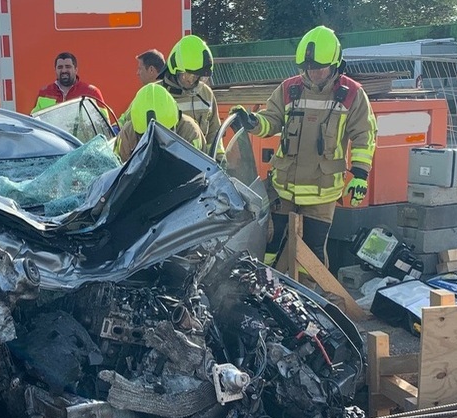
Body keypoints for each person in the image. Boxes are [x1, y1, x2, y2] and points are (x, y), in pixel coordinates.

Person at [229, 26, 377, 266]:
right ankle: (263, 292)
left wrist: (360, 174)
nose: (314, 73)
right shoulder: (289, 89)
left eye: (320, 68)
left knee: (312, 256)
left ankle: (307, 297)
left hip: (322, 192)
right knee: (269, 244)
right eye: (308, 68)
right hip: (283, 187)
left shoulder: (352, 94)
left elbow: (364, 135)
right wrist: (253, 122)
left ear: (336, 63)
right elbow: (272, 120)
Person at [160, 35, 222, 153]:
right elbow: (129, 127)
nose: (191, 80)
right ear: (174, 68)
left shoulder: (206, 94)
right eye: (186, 75)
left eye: (197, 76)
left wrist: (219, 161)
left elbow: (215, 134)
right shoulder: (156, 93)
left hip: (202, 168)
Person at [115, 83, 203, 163]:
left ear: (177, 120)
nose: (156, 142)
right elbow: (118, 171)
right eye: (145, 136)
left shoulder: (190, 132)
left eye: (163, 134)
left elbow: (198, 171)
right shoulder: (127, 135)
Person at [31, 52, 109, 115]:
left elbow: (104, 123)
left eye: (68, 67)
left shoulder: (92, 92)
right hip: (51, 135)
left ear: (76, 70)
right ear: (55, 70)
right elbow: (34, 122)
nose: (64, 70)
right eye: (60, 67)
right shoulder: (44, 93)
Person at [117, 49, 167, 127]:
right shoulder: (169, 90)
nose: (137, 73)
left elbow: (127, 119)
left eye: (140, 68)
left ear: (151, 70)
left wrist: (114, 129)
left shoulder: (148, 93)